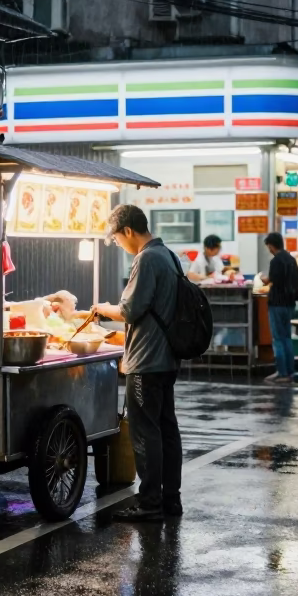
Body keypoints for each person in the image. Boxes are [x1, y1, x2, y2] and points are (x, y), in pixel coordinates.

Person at [94, 203, 184, 522]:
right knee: (167, 430)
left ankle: (149, 504)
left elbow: (130, 310)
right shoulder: (170, 256)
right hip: (167, 359)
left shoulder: (146, 259)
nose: (118, 244)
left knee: (146, 433)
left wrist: (103, 308)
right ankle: (170, 499)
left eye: (118, 238)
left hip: (146, 360)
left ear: (128, 231)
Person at [259, 231, 298, 383]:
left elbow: (273, 280)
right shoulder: (291, 259)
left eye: (268, 246)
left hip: (277, 304)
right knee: (287, 338)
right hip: (290, 303)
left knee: (278, 339)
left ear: (271, 246)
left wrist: (265, 280)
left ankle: (282, 373)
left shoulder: (276, 261)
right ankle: (290, 372)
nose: (269, 249)